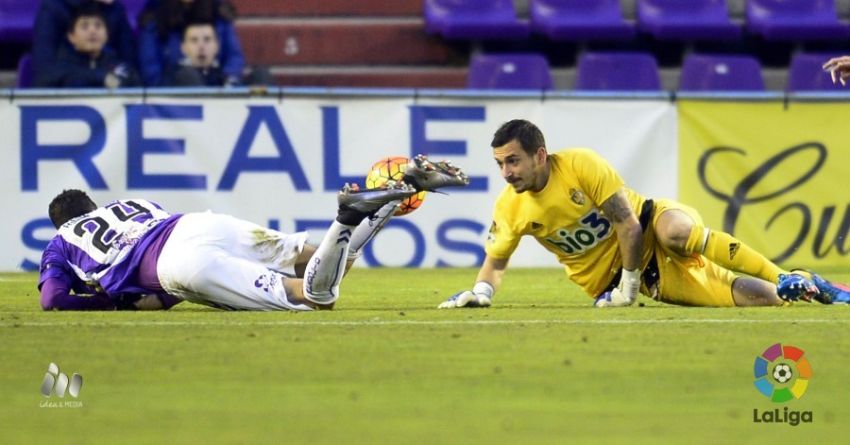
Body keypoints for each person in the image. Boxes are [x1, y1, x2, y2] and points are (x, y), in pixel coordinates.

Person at [438, 119, 850, 309]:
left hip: (648, 228)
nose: (507, 173)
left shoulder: (581, 165)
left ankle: (783, 274)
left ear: (540, 155)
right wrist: (482, 293)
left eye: (513, 161)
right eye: (500, 165)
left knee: (676, 232)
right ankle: (809, 287)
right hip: (637, 280)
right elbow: (496, 261)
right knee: (764, 301)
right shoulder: (511, 207)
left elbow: (628, 225)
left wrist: (629, 288)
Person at [38, 156, 468, 311]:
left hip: (178, 266)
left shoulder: (61, 243)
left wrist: (106, 302)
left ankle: (348, 216)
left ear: (64, 223)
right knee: (329, 263)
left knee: (316, 295)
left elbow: (53, 298)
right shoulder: (133, 204)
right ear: (94, 207)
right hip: (198, 223)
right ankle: (394, 196)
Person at [137, 0, 247, 86]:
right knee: (187, 75)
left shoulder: (219, 14)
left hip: (217, 86)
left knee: (259, 76)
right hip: (173, 93)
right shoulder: (155, 21)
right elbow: (151, 72)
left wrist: (229, 80)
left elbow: (234, 57)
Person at [33, 0, 138, 87]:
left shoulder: (115, 9)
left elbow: (132, 74)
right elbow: (43, 76)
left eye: (98, 26)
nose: (92, 31)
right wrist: (100, 77)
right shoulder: (53, 7)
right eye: (84, 26)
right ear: (71, 36)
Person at [162, 22, 226, 86]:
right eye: (194, 40)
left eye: (207, 40)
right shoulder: (172, 77)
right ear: (183, 48)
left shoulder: (224, 77)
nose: (201, 46)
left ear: (217, 46)